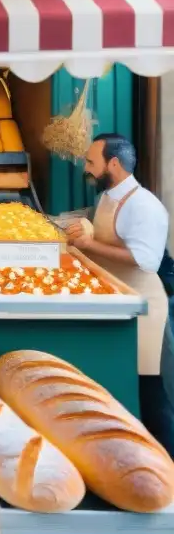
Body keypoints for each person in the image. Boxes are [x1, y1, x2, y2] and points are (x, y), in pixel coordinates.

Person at [65, 133, 174, 450]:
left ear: (114, 163)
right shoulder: (109, 195)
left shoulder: (144, 205)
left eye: (91, 162)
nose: (86, 168)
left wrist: (88, 244)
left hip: (143, 308)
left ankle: (168, 469)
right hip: (116, 302)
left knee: (151, 393)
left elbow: (146, 259)